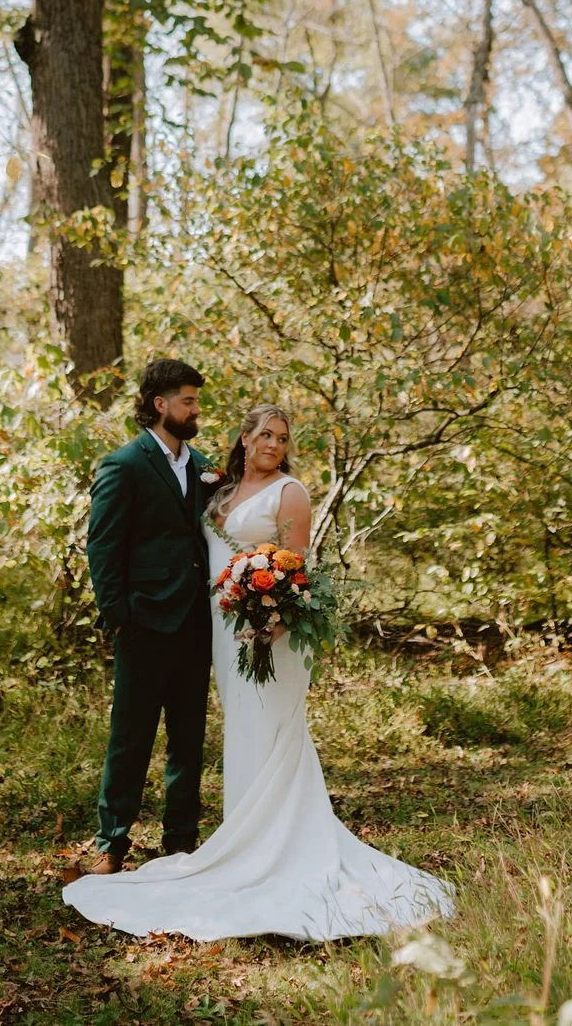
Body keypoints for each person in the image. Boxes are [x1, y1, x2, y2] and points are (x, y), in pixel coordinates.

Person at [64, 403, 454, 941]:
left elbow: (299, 573)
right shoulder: (217, 489)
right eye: (265, 434)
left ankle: (273, 853)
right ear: (245, 438)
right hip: (221, 634)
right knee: (241, 736)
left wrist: (269, 623)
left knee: (270, 734)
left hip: (268, 638)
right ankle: (241, 844)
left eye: (283, 437)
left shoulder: (290, 493)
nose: (274, 444)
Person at [78, 358, 215, 876]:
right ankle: (110, 843)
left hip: (196, 625)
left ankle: (181, 842)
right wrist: (119, 617)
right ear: (160, 405)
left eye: (196, 401)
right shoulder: (124, 465)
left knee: (189, 738)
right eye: (188, 400)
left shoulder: (200, 464)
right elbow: (103, 547)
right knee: (130, 736)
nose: (196, 409)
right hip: (143, 624)